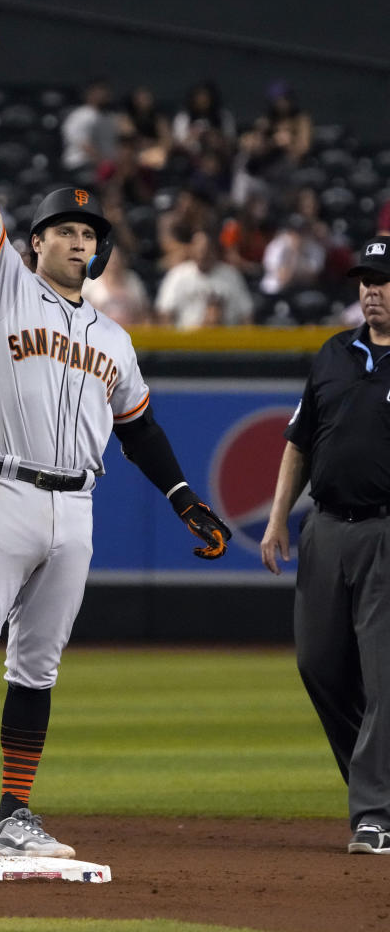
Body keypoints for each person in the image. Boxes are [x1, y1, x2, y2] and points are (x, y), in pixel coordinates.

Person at [0, 18, 232, 881]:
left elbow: (138, 427)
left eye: (89, 232)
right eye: (66, 229)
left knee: (38, 669)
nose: (81, 239)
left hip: (77, 506)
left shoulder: (113, 335)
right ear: (36, 242)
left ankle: (14, 814)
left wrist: (183, 496)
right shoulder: (2, 290)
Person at [261, 236, 390, 855]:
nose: (371, 289)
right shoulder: (335, 353)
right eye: (365, 279)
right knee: (318, 664)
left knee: (384, 677)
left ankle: (374, 811)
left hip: (386, 531)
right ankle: (378, 791)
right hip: (326, 530)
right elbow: (299, 440)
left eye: (382, 279)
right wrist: (278, 518)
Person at [155, 229, 253, 327]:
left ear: (214, 250)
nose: (203, 255)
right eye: (199, 250)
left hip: (227, 338)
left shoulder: (232, 275)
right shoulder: (177, 275)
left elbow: (246, 314)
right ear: (192, 250)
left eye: (207, 250)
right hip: (187, 338)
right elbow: (165, 313)